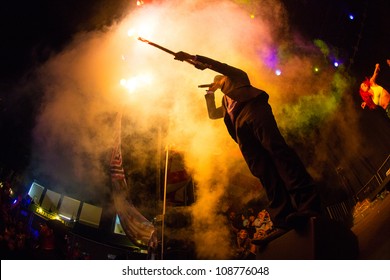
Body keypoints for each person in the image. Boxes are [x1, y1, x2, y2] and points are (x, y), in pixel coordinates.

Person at [174, 52, 322, 244]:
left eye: (218, 79)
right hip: (241, 130)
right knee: (263, 170)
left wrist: (193, 58)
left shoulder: (238, 77)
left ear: (224, 78)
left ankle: (308, 205)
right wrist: (210, 94)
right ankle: (283, 218)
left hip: (253, 110)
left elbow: (219, 65)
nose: (216, 81)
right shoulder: (224, 102)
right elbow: (213, 115)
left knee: (277, 151)